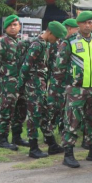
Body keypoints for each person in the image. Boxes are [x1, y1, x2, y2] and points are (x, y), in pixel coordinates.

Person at [53, 11, 92, 167]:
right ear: (79, 24)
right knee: (72, 121)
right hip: (75, 89)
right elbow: (60, 67)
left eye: (91, 22)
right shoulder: (69, 42)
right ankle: (68, 154)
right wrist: (59, 88)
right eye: (85, 23)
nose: (88, 25)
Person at [19, 22, 66, 158]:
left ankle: (51, 144)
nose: (56, 41)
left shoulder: (45, 44)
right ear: (50, 33)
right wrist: (20, 86)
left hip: (40, 86)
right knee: (34, 116)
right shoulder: (37, 45)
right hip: (33, 86)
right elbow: (26, 66)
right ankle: (33, 148)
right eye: (56, 37)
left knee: (44, 114)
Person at [0, 14, 28, 151]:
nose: (13, 28)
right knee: (6, 110)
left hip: (21, 81)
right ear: (5, 27)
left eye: (15, 25)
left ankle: (17, 137)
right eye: (10, 25)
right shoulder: (1, 42)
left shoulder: (22, 41)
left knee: (21, 110)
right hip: (8, 82)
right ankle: (3, 139)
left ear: (19, 26)